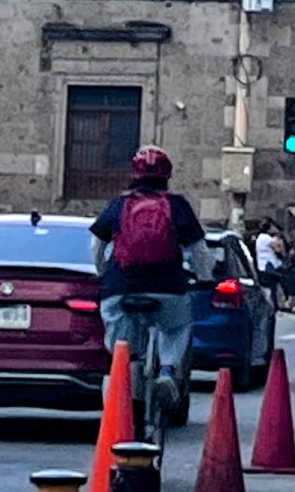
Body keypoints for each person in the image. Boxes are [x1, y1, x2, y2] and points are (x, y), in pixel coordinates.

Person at [90, 147, 214, 425]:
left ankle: (120, 400)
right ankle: (168, 371)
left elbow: (96, 245)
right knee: (177, 327)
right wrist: (205, 278)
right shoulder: (177, 205)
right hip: (168, 287)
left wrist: (104, 274)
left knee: (121, 350)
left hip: (121, 287)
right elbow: (199, 251)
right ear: (167, 175)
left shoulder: (119, 204)